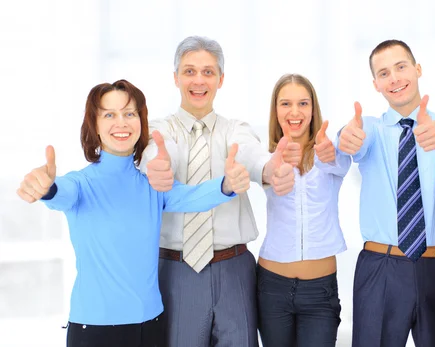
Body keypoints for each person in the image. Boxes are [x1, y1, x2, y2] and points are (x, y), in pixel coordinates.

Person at [16, 79, 250, 347]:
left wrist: (227, 184)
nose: (122, 123)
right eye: (109, 115)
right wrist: (45, 188)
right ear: (94, 124)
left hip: (151, 325)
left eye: (129, 113)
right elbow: (59, 193)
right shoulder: (80, 184)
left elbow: (191, 196)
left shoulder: (151, 186)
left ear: (141, 121)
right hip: (95, 329)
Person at [140, 36, 296, 347]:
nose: (199, 80)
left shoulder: (235, 129)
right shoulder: (159, 130)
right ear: (175, 78)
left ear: (221, 79)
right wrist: (156, 167)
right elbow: (158, 154)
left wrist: (269, 170)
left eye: (208, 72)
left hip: (234, 270)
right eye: (189, 71)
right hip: (176, 271)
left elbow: (252, 156)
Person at [335, 39, 435, 347]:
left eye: (401, 67)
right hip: (382, 266)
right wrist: (346, 136)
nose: (394, 78)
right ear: (376, 84)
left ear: (417, 70)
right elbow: (351, 137)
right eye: (383, 73)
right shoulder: (371, 128)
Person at [256, 74, 350, 347]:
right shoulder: (266, 157)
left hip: (319, 291)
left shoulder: (329, 154)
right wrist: (275, 164)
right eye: (286, 104)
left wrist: (327, 154)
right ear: (276, 110)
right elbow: (261, 172)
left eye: (303, 103)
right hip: (272, 287)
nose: (294, 112)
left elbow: (339, 163)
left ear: (313, 109)